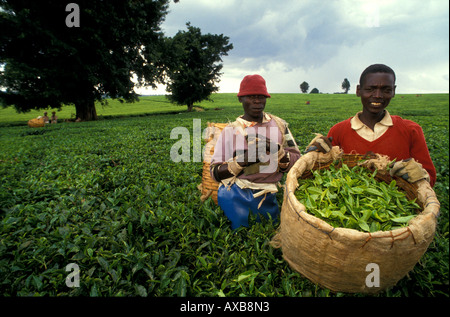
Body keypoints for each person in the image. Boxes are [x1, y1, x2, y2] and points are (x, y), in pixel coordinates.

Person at [210, 74, 301, 229]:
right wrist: (242, 161)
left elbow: (298, 161)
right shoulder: (230, 131)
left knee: (270, 235)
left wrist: (277, 152)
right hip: (236, 195)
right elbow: (215, 173)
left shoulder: (279, 125)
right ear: (240, 99)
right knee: (239, 237)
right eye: (251, 97)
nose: (257, 101)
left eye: (261, 97)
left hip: (271, 194)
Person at [326, 64, 436, 187]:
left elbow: (430, 179)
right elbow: (326, 172)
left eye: (386, 90)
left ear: (393, 91)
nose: (378, 95)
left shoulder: (411, 130)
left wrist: (420, 174)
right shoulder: (338, 131)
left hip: (398, 204)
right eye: (370, 89)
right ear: (358, 90)